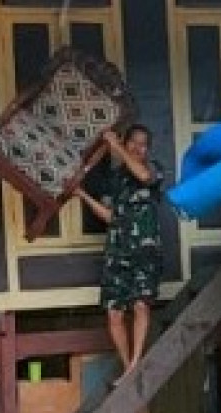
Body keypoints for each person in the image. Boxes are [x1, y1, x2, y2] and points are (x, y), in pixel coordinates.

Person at [77, 125, 164, 377]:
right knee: (114, 312)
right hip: (117, 251)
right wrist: (82, 195)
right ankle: (127, 366)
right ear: (126, 143)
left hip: (145, 251)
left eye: (143, 144)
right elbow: (108, 215)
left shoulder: (153, 168)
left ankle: (137, 361)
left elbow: (144, 177)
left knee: (140, 306)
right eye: (133, 143)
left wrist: (115, 147)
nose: (138, 148)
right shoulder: (114, 178)